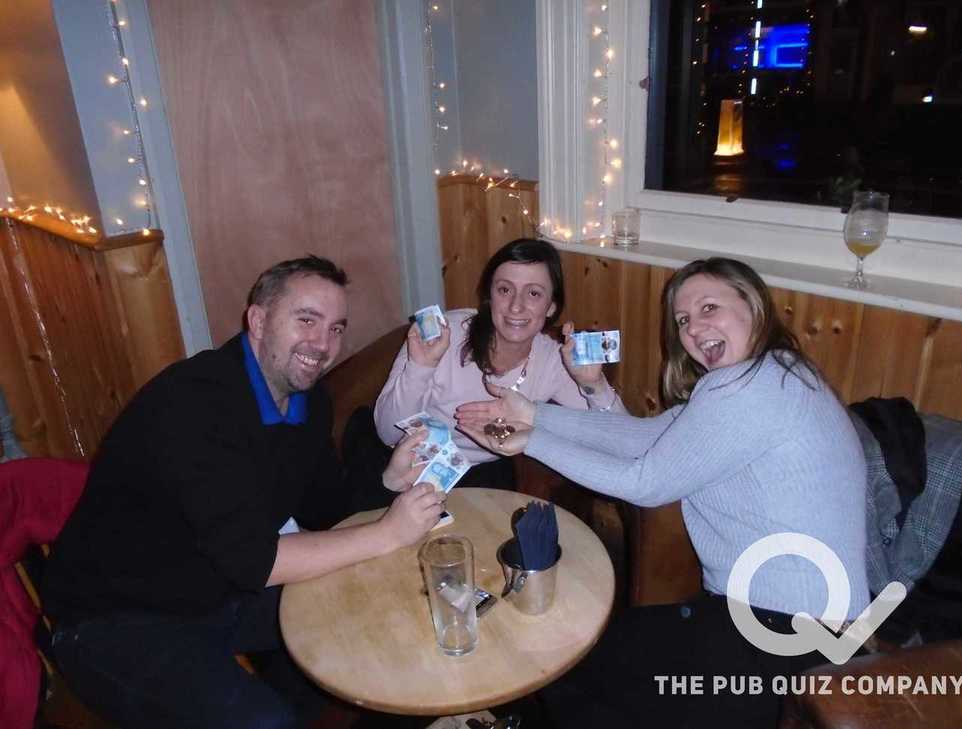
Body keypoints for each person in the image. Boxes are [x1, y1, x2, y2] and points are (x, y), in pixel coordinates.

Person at [456, 257, 869, 728]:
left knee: (571, 665)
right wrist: (534, 414)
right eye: (683, 319)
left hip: (784, 642)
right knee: (586, 657)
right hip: (798, 630)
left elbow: (645, 483)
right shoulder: (770, 376)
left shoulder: (753, 387)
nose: (694, 329)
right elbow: (646, 437)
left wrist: (529, 440)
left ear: (754, 305)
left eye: (709, 307)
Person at [42, 256, 444, 729]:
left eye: (336, 328)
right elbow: (258, 563)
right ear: (258, 320)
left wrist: (388, 480)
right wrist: (388, 532)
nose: (323, 344)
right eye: (307, 320)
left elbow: (326, 512)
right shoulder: (192, 404)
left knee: (375, 612)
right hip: (115, 618)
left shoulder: (307, 402)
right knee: (265, 722)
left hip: (215, 587)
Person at [374, 238, 626, 488]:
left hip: (480, 475)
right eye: (505, 290)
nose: (516, 306)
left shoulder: (553, 360)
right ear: (490, 296)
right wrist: (420, 367)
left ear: (551, 306)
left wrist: (595, 384)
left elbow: (623, 446)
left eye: (534, 293)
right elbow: (388, 433)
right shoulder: (443, 335)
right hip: (405, 465)